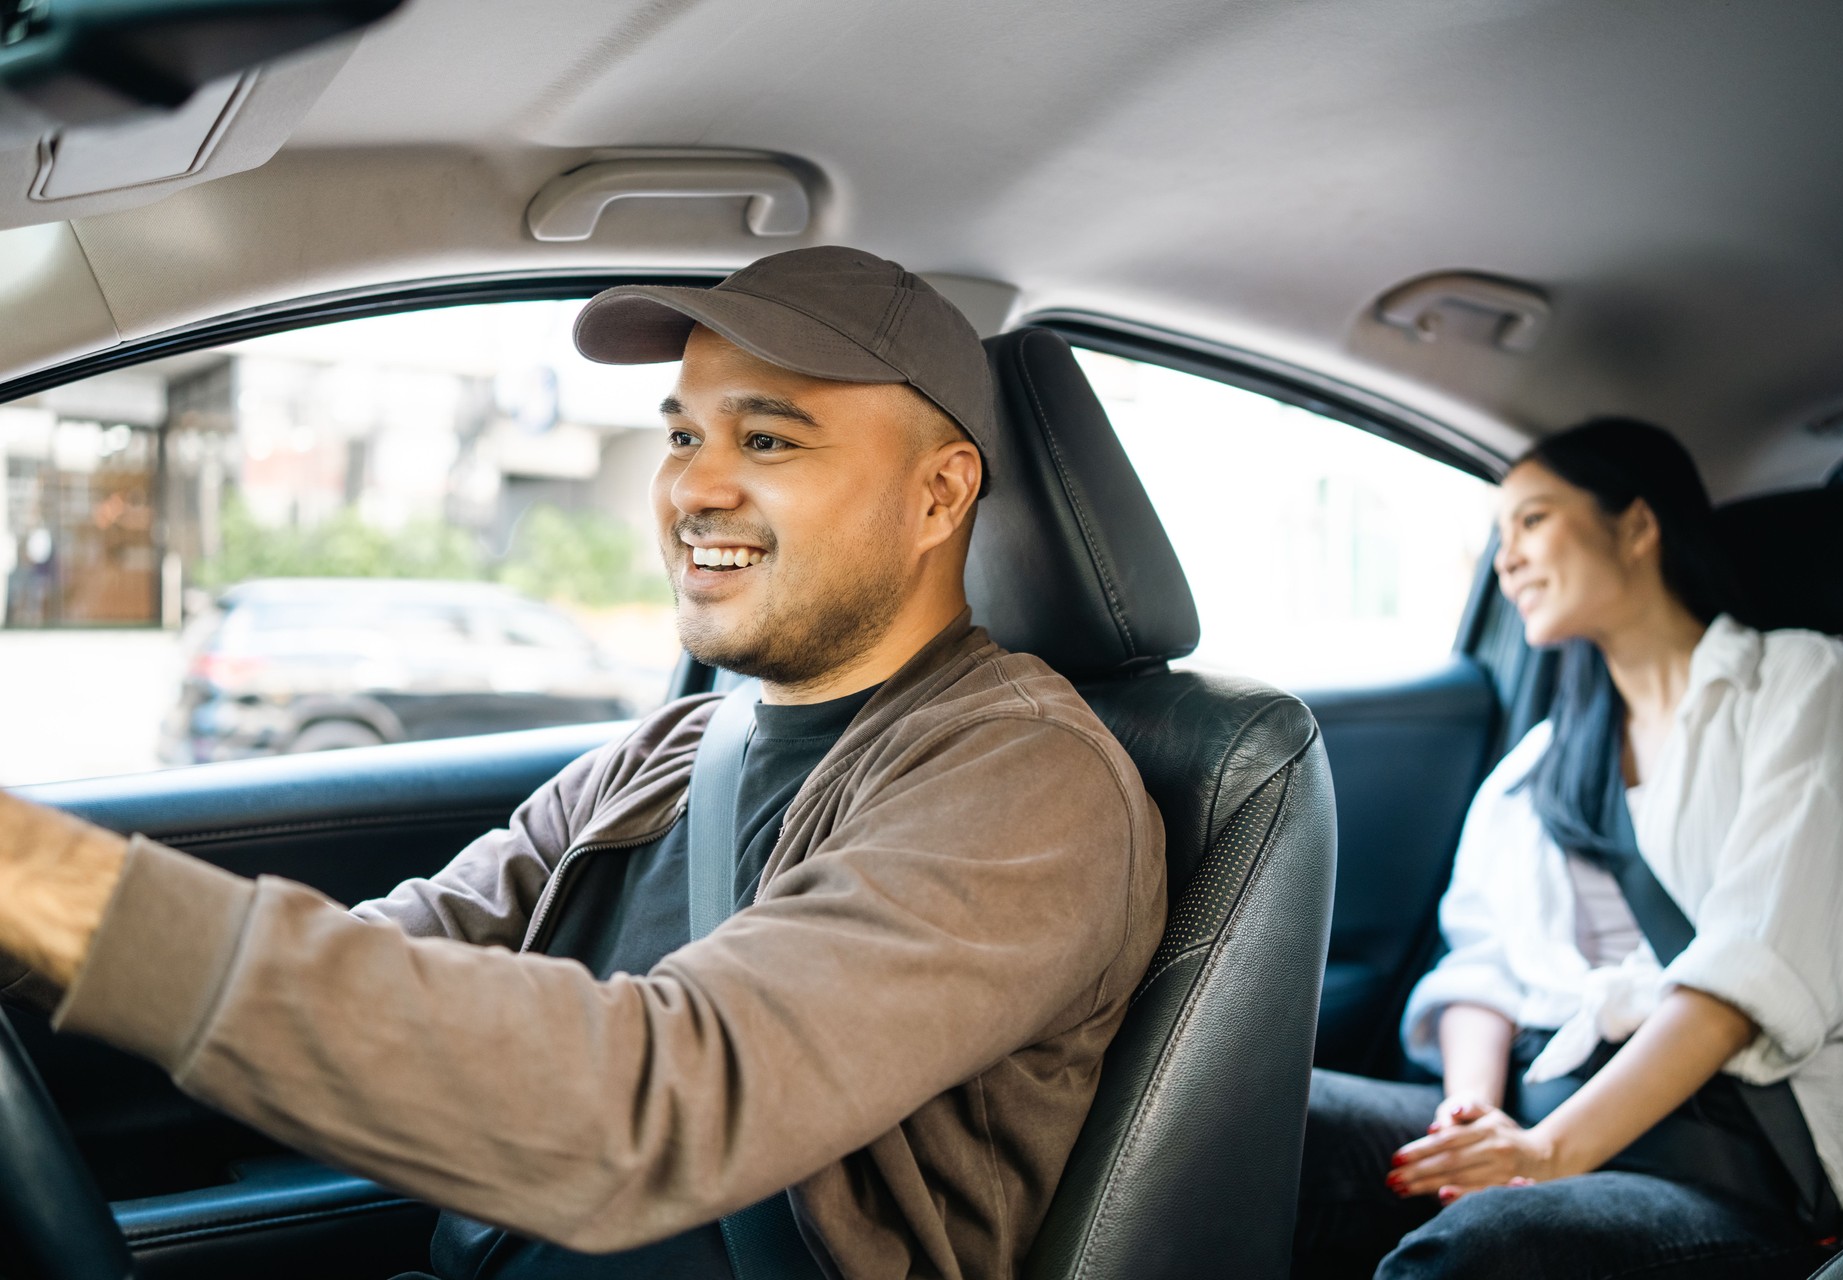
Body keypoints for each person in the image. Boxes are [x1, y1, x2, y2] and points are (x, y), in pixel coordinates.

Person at [0, 246, 1168, 1280]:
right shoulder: (678, 748)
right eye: (681, 435)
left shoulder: (1025, 779)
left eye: (767, 438)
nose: (692, 488)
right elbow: (402, 947)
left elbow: (662, 1102)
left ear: (941, 492)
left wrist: (40, 876)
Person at [1293, 419, 1843, 1280]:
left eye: (1534, 520)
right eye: (1499, 535)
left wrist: (1545, 1153)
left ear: (1635, 525)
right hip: (1535, 1109)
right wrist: (1468, 1117)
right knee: (1264, 1124)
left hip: (1714, 1155)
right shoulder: (1541, 764)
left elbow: (1751, 971)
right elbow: (1481, 964)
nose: (1507, 559)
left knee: (1482, 1253)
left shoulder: (1801, 686)